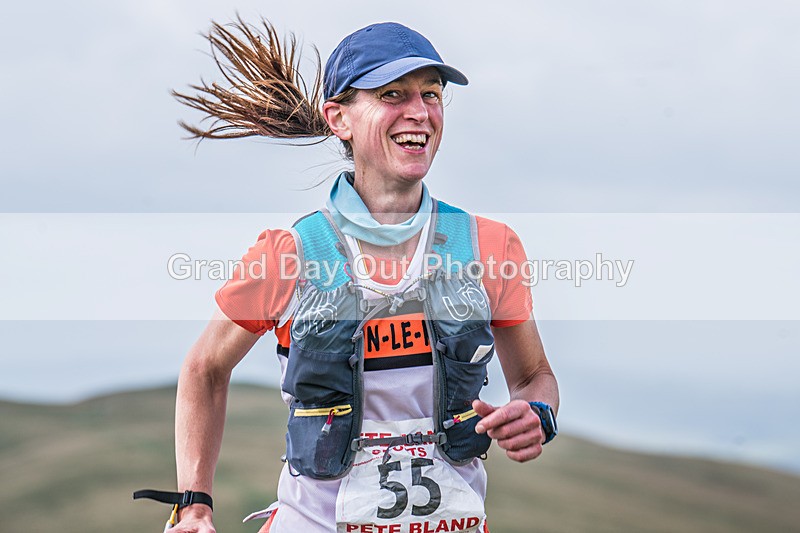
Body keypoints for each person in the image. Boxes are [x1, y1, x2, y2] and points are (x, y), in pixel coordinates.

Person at [168, 17, 559, 533]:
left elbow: (534, 378)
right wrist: (194, 504)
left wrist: (537, 414)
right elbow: (204, 368)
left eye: (432, 94)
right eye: (393, 94)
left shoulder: (489, 247)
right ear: (339, 118)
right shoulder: (291, 254)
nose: (419, 111)